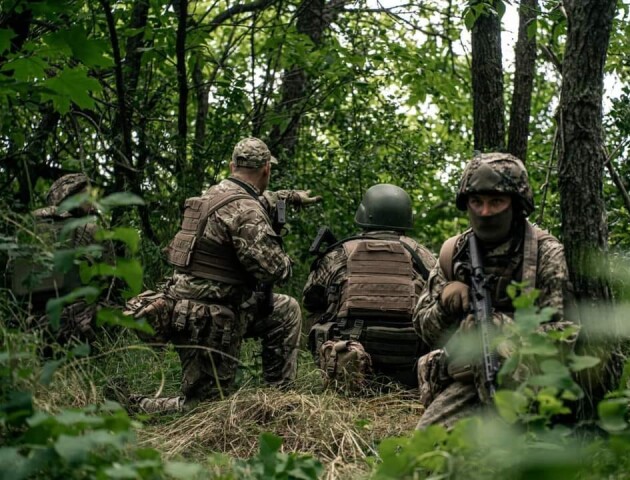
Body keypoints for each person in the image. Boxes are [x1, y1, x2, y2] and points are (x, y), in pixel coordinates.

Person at [122, 137, 320, 413]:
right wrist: (286, 258)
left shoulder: (211, 195)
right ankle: (138, 406)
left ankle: (279, 399)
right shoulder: (247, 212)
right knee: (205, 411)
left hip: (196, 305)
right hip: (210, 319)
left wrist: (289, 197)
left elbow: (259, 199)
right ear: (266, 169)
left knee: (285, 311)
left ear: (232, 166)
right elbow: (274, 269)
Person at [413, 152, 575, 429]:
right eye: (477, 202)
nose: (485, 212)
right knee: (426, 454)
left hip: (532, 381)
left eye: (496, 202)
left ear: (516, 204)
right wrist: (445, 303)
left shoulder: (544, 254)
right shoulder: (454, 254)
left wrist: (502, 327)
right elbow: (423, 330)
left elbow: (566, 335)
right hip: (466, 377)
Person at [304, 183, 436, 392]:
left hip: (349, 355)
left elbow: (311, 298)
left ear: (365, 213)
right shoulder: (421, 254)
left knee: (318, 315)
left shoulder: (340, 253)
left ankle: (333, 372)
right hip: (407, 358)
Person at [8, 173, 110, 348]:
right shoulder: (91, 229)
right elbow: (111, 282)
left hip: (28, 326)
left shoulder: (25, 230)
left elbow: (9, 276)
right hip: (78, 326)